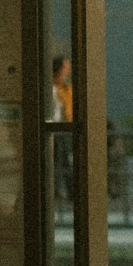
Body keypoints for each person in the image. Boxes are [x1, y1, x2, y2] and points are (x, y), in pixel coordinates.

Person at [49, 54, 75, 201]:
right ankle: (60, 192)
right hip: (55, 128)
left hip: (62, 128)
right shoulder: (52, 89)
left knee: (62, 160)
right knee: (59, 161)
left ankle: (67, 191)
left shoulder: (65, 88)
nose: (68, 71)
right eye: (65, 68)